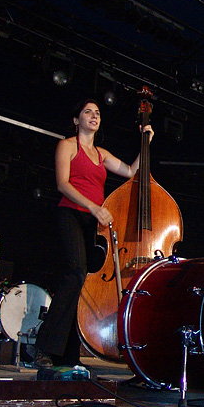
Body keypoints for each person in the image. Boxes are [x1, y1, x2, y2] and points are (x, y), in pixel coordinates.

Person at [34, 98, 153, 367]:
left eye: (97, 113)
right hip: (71, 214)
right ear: (77, 120)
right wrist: (94, 207)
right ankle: (44, 347)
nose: (94, 116)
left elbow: (132, 171)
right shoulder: (67, 145)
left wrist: (146, 140)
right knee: (76, 274)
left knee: (86, 284)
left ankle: (68, 354)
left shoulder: (102, 153)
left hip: (93, 222)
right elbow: (62, 184)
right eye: (87, 112)